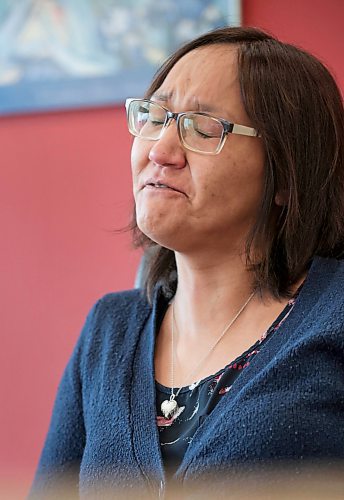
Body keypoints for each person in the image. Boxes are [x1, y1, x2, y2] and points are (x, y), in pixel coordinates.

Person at [30, 26, 344, 499]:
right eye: (154, 117)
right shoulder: (110, 328)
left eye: (202, 127)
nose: (159, 151)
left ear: (287, 174)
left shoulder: (335, 317)